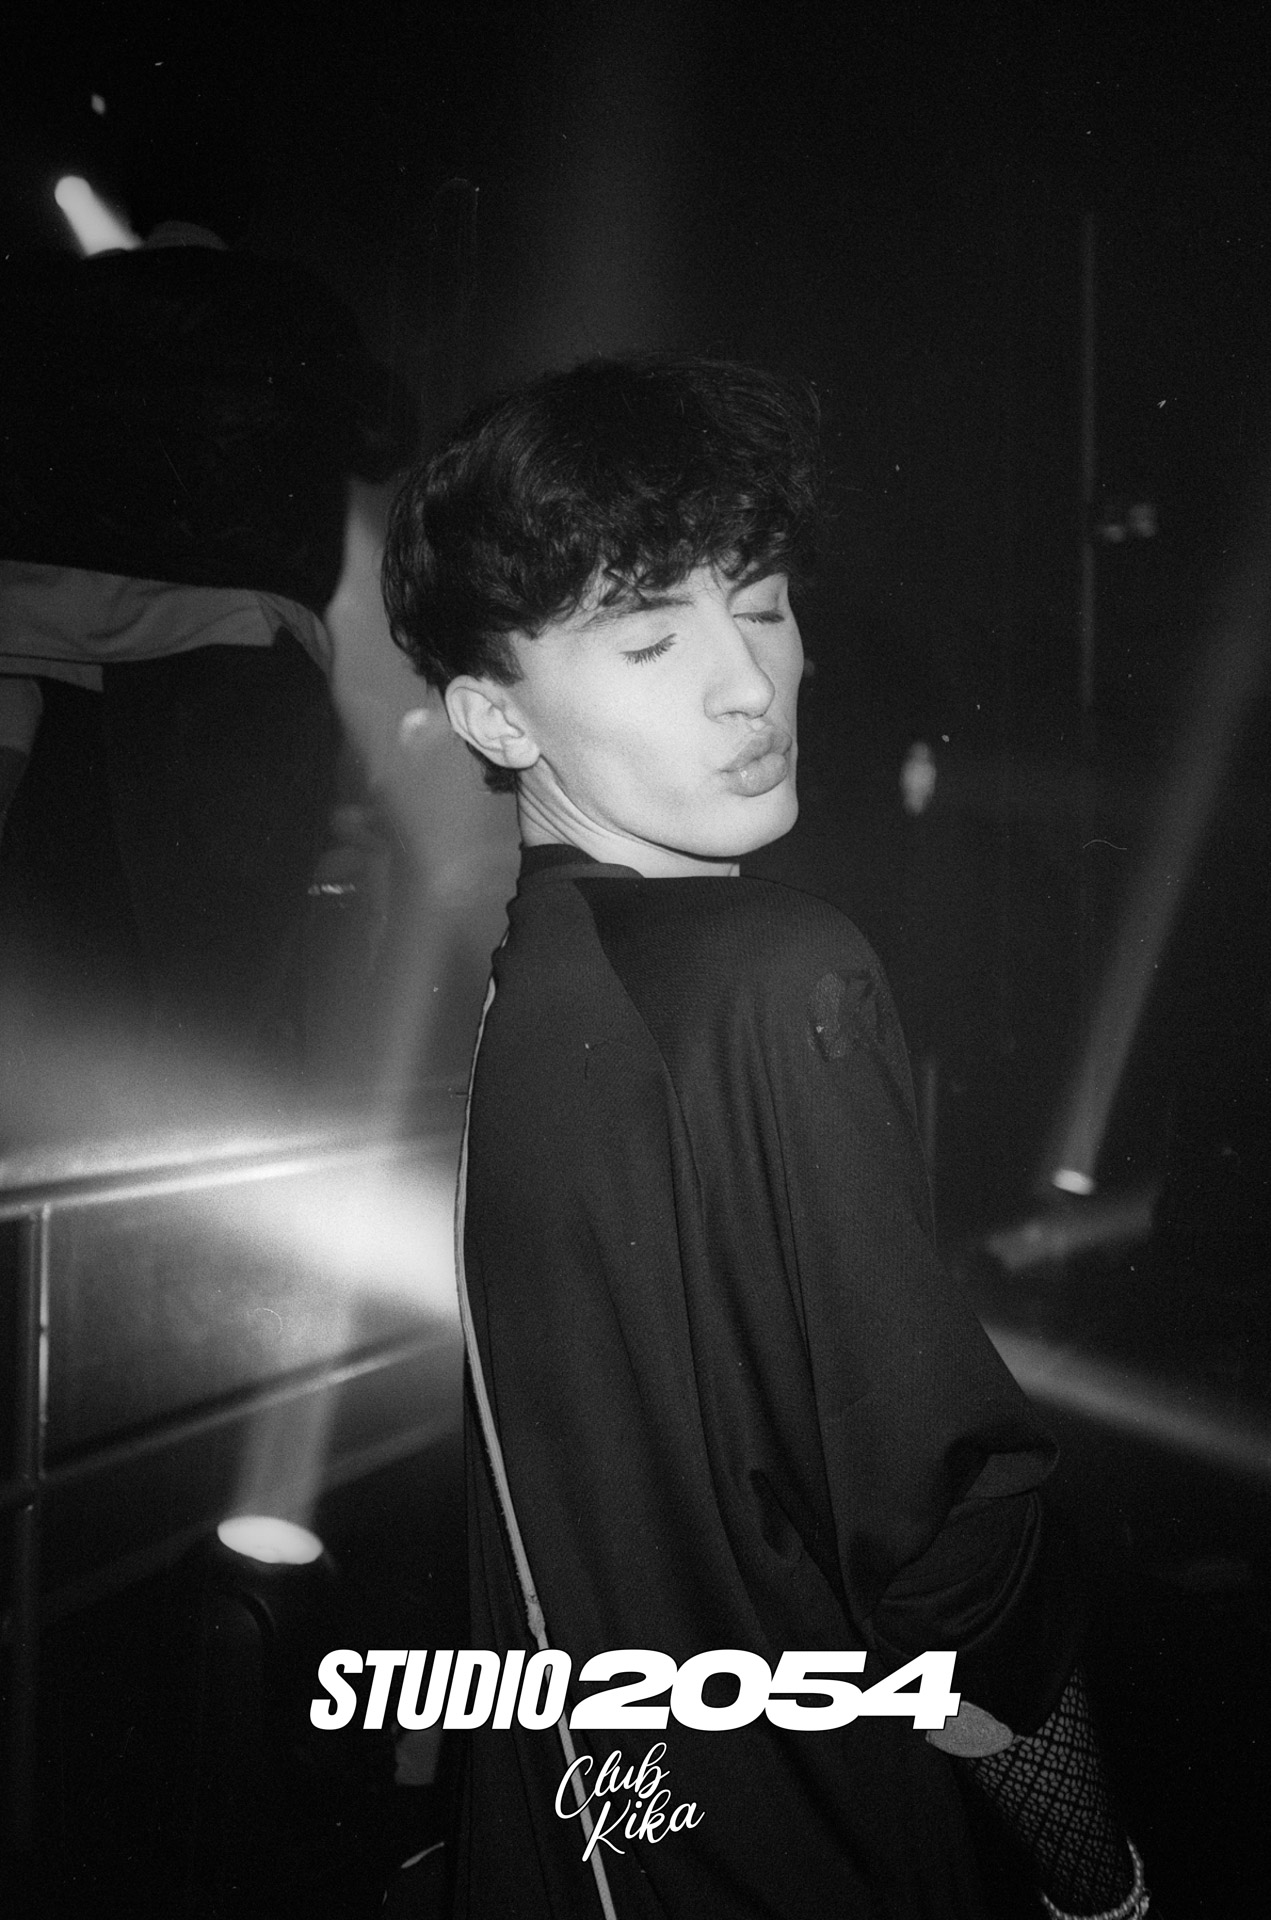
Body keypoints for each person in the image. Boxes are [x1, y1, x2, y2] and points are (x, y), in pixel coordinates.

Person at [382, 358, 1151, 1918]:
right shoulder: (768, 972)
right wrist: (1098, 1886)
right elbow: (947, 1556)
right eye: (649, 639)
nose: (748, 681)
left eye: (765, 604)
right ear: (494, 715)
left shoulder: (532, 978)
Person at [0, 212, 414, 1083]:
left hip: (45, 649)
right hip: (232, 641)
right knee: (223, 977)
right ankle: (200, 1145)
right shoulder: (286, 307)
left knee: (72, 973)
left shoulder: (51, 302)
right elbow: (384, 436)